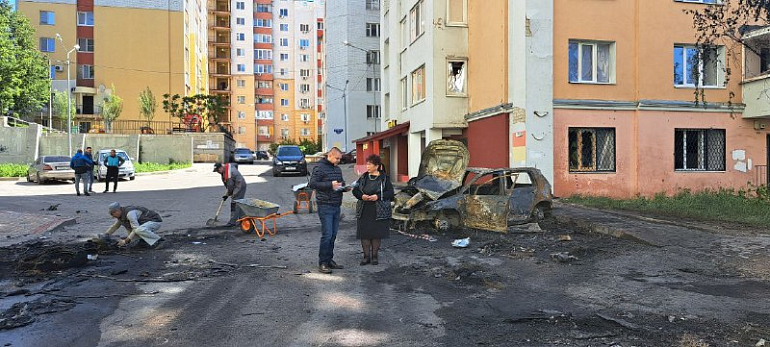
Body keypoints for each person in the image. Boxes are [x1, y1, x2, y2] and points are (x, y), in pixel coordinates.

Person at [309, 147, 349, 274]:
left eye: (340, 159)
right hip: (325, 205)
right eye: (337, 158)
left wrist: (345, 187)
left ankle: (329, 260)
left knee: (333, 235)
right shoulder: (319, 167)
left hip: (336, 205)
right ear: (330, 155)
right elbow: (312, 184)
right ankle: (323, 263)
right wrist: (330, 185)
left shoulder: (337, 169)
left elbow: (340, 183)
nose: (338, 161)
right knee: (327, 235)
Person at [352, 155, 394, 265]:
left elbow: (390, 193)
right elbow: (355, 190)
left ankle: (375, 256)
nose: (367, 166)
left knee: (376, 234)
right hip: (364, 209)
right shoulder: (363, 177)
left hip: (379, 209)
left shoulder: (384, 178)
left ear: (377, 166)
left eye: (370, 164)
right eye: (367, 164)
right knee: (365, 233)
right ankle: (366, 257)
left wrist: (378, 196)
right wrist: (361, 196)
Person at [214, 162, 247, 227]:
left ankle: (232, 222)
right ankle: (242, 219)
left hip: (239, 187)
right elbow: (235, 164)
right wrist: (227, 195)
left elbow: (230, 187)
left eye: (218, 170)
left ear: (221, 167)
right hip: (236, 184)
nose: (217, 172)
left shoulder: (229, 174)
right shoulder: (226, 168)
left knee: (234, 203)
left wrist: (229, 194)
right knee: (239, 203)